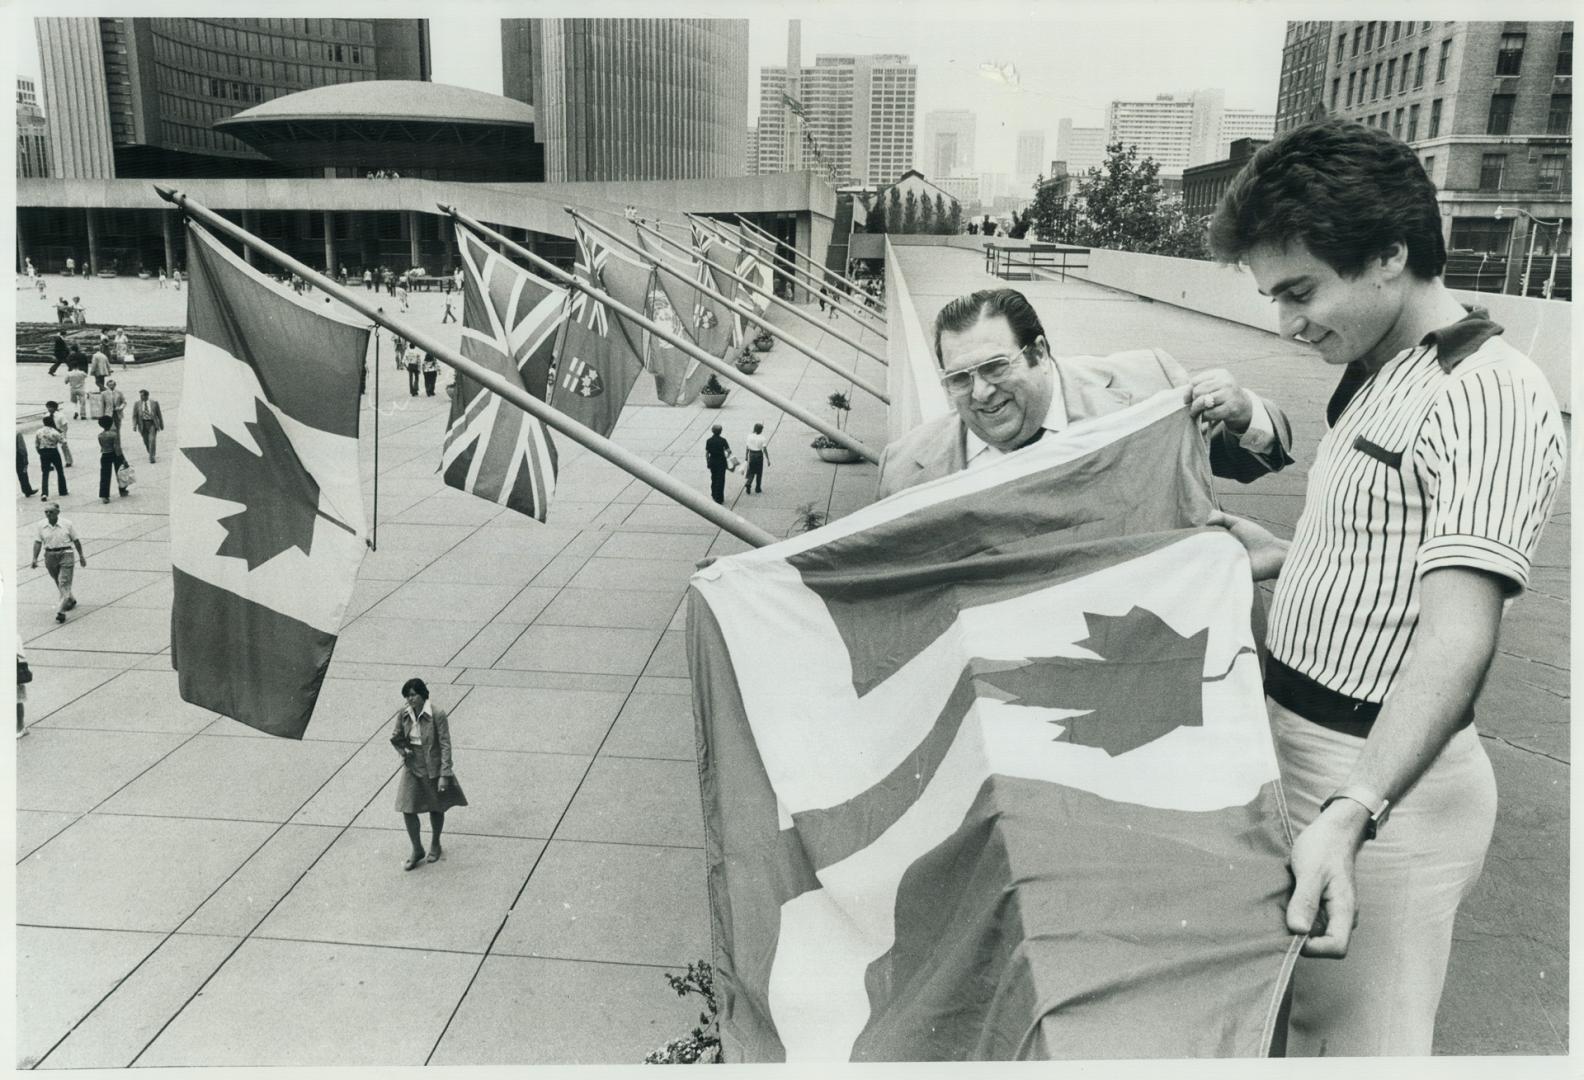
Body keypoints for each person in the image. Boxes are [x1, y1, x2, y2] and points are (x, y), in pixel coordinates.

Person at [1204, 119, 1568, 1057]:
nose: (1286, 322)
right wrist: (1291, 551)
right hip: (1303, 756)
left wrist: (1353, 810)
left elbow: (1457, 637)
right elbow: (1395, 543)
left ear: (1391, 253)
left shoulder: (1488, 390)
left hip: (1377, 787)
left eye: (1300, 291)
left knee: (1359, 1052)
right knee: (1288, 1032)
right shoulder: (1385, 370)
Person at [875, 287, 1294, 499]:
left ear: (1039, 352)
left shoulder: (1149, 386)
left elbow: (1249, 461)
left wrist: (1243, 413)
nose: (981, 392)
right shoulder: (904, 468)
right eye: (960, 378)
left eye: (995, 367)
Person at [388, 677, 467, 870]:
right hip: (412, 766)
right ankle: (417, 849)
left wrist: (444, 774)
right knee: (407, 808)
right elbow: (395, 737)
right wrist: (403, 750)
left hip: (432, 766)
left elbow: (446, 745)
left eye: (413, 695)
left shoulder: (437, 714)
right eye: (407, 696)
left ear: (423, 694)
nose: (409, 699)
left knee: (436, 807)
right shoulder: (404, 713)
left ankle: (435, 843)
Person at [31, 502, 86, 623]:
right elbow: (38, 542)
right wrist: (34, 558)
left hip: (66, 553)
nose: (48, 514)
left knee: (63, 581)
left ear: (58, 512)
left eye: (51, 512)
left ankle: (60, 611)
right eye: (46, 512)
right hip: (50, 555)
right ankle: (69, 599)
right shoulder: (41, 525)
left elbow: (76, 540)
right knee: (58, 580)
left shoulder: (67, 524)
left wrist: (81, 556)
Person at [96, 416, 130, 503]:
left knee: (105, 475)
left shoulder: (100, 436)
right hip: (115, 454)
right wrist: (123, 458)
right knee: (120, 472)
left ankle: (104, 495)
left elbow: (102, 446)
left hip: (105, 455)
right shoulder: (114, 434)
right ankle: (122, 490)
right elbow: (117, 447)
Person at [34, 416, 67, 499]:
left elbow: (36, 444)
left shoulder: (39, 431)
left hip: (43, 452)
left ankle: (44, 493)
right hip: (53, 451)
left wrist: (40, 452)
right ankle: (62, 490)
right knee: (60, 471)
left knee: (45, 473)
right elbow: (63, 441)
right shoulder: (54, 432)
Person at [131, 389, 164, 462]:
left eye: (142, 396)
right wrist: (134, 425)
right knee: (146, 441)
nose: (141, 397)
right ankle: (151, 452)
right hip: (142, 424)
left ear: (146, 396)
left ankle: (151, 457)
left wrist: (161, 424)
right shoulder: (137, 404)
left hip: (152, 424)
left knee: (152, 440)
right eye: (140, 396)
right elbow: (134, 415)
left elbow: (159, 414)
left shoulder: (154, 403)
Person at [705, 424, 730, 505]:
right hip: (721, 461)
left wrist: (708, 462)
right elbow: (728, 451)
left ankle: (713, 494)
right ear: (721, 431)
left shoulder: (709, 440)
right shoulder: (723, 440)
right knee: (721, 479)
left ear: (712, 431)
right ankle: (719, 498)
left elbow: (707, 453)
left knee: (714, 477)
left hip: (713, 461)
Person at [43, 401, 72, 469]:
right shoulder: (46, 415)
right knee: (51, 448)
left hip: (60, 432)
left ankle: (68, 461)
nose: (49, 409)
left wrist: (64, 434)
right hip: (51, 433)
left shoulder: (60, 415)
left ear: (54, 408)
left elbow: (65, 425)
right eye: (48, 407)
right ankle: (51, 464)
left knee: (64, 447)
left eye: (50, 407)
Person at [743, 421, 770, 495]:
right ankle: (758, 488)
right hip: (759, 455)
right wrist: (768, 459)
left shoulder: (749, 436)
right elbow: (764, 449)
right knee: (759, 472)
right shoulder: (762, 438)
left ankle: (749, 483)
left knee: (751, 470)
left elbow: (747, 447)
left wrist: (746, 456)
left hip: (751, 454)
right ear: (761, 430)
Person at [17, 431, 36, 497]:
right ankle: (27, 490)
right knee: (23, 473)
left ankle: (26, 490)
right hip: (18, 457)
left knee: (20, 474)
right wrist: (25, 457)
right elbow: (21, 448)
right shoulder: (17, 434)